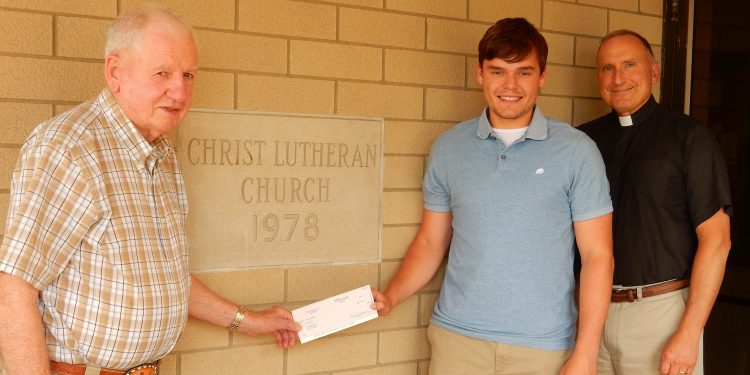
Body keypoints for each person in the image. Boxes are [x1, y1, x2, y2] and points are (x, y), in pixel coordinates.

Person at [0, 5, 300, 375]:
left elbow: (163, 277)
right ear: (115, 72)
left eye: (188, 74)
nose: (180, 90)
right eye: (163, 73)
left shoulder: (161, 154)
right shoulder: (70, 148)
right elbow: (14, 290)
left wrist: (250, 321)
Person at [372, 18, 614, 374]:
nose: (510, 85)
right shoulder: (448, 149)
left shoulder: (577, 151)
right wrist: (392, 296)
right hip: (458, 341)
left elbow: (597, 256)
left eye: (524, 72)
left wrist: (586, 353)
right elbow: (430, 242)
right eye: (498, 71)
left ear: (542, 76)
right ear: (480, 74)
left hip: (542, 348)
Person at [578, 30, 732, 375]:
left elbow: (717, 240)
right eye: (607, 68)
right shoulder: (583, 141)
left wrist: (690, 332)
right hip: (593, 315)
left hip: (660, 315)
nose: (618, 78)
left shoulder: (689, 138)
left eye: (629, 65)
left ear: (655, 71)